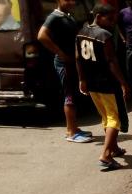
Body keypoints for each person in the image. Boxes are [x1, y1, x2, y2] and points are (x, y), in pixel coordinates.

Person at [76, 3, 131, 170]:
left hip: (91, 83)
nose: (113, 22)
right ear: (99, 17)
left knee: (106, 116)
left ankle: (113, 147)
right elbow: (112, 61)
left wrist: (82, 80)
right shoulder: (104, 35)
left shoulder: (81, 32)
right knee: (115, 118)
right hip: (106, 83)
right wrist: (123, 83)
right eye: (110, 19)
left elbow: (78, 58)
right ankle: (106, 155)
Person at [38, 0, 93, 143]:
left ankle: (73, 127)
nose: (72, 2)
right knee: (69, 97)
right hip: (64, 63)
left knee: (73, 95)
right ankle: (71, 132)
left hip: (72, 62)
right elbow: (41, 36)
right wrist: (60, 53)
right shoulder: (54, 17)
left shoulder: (67, 16)